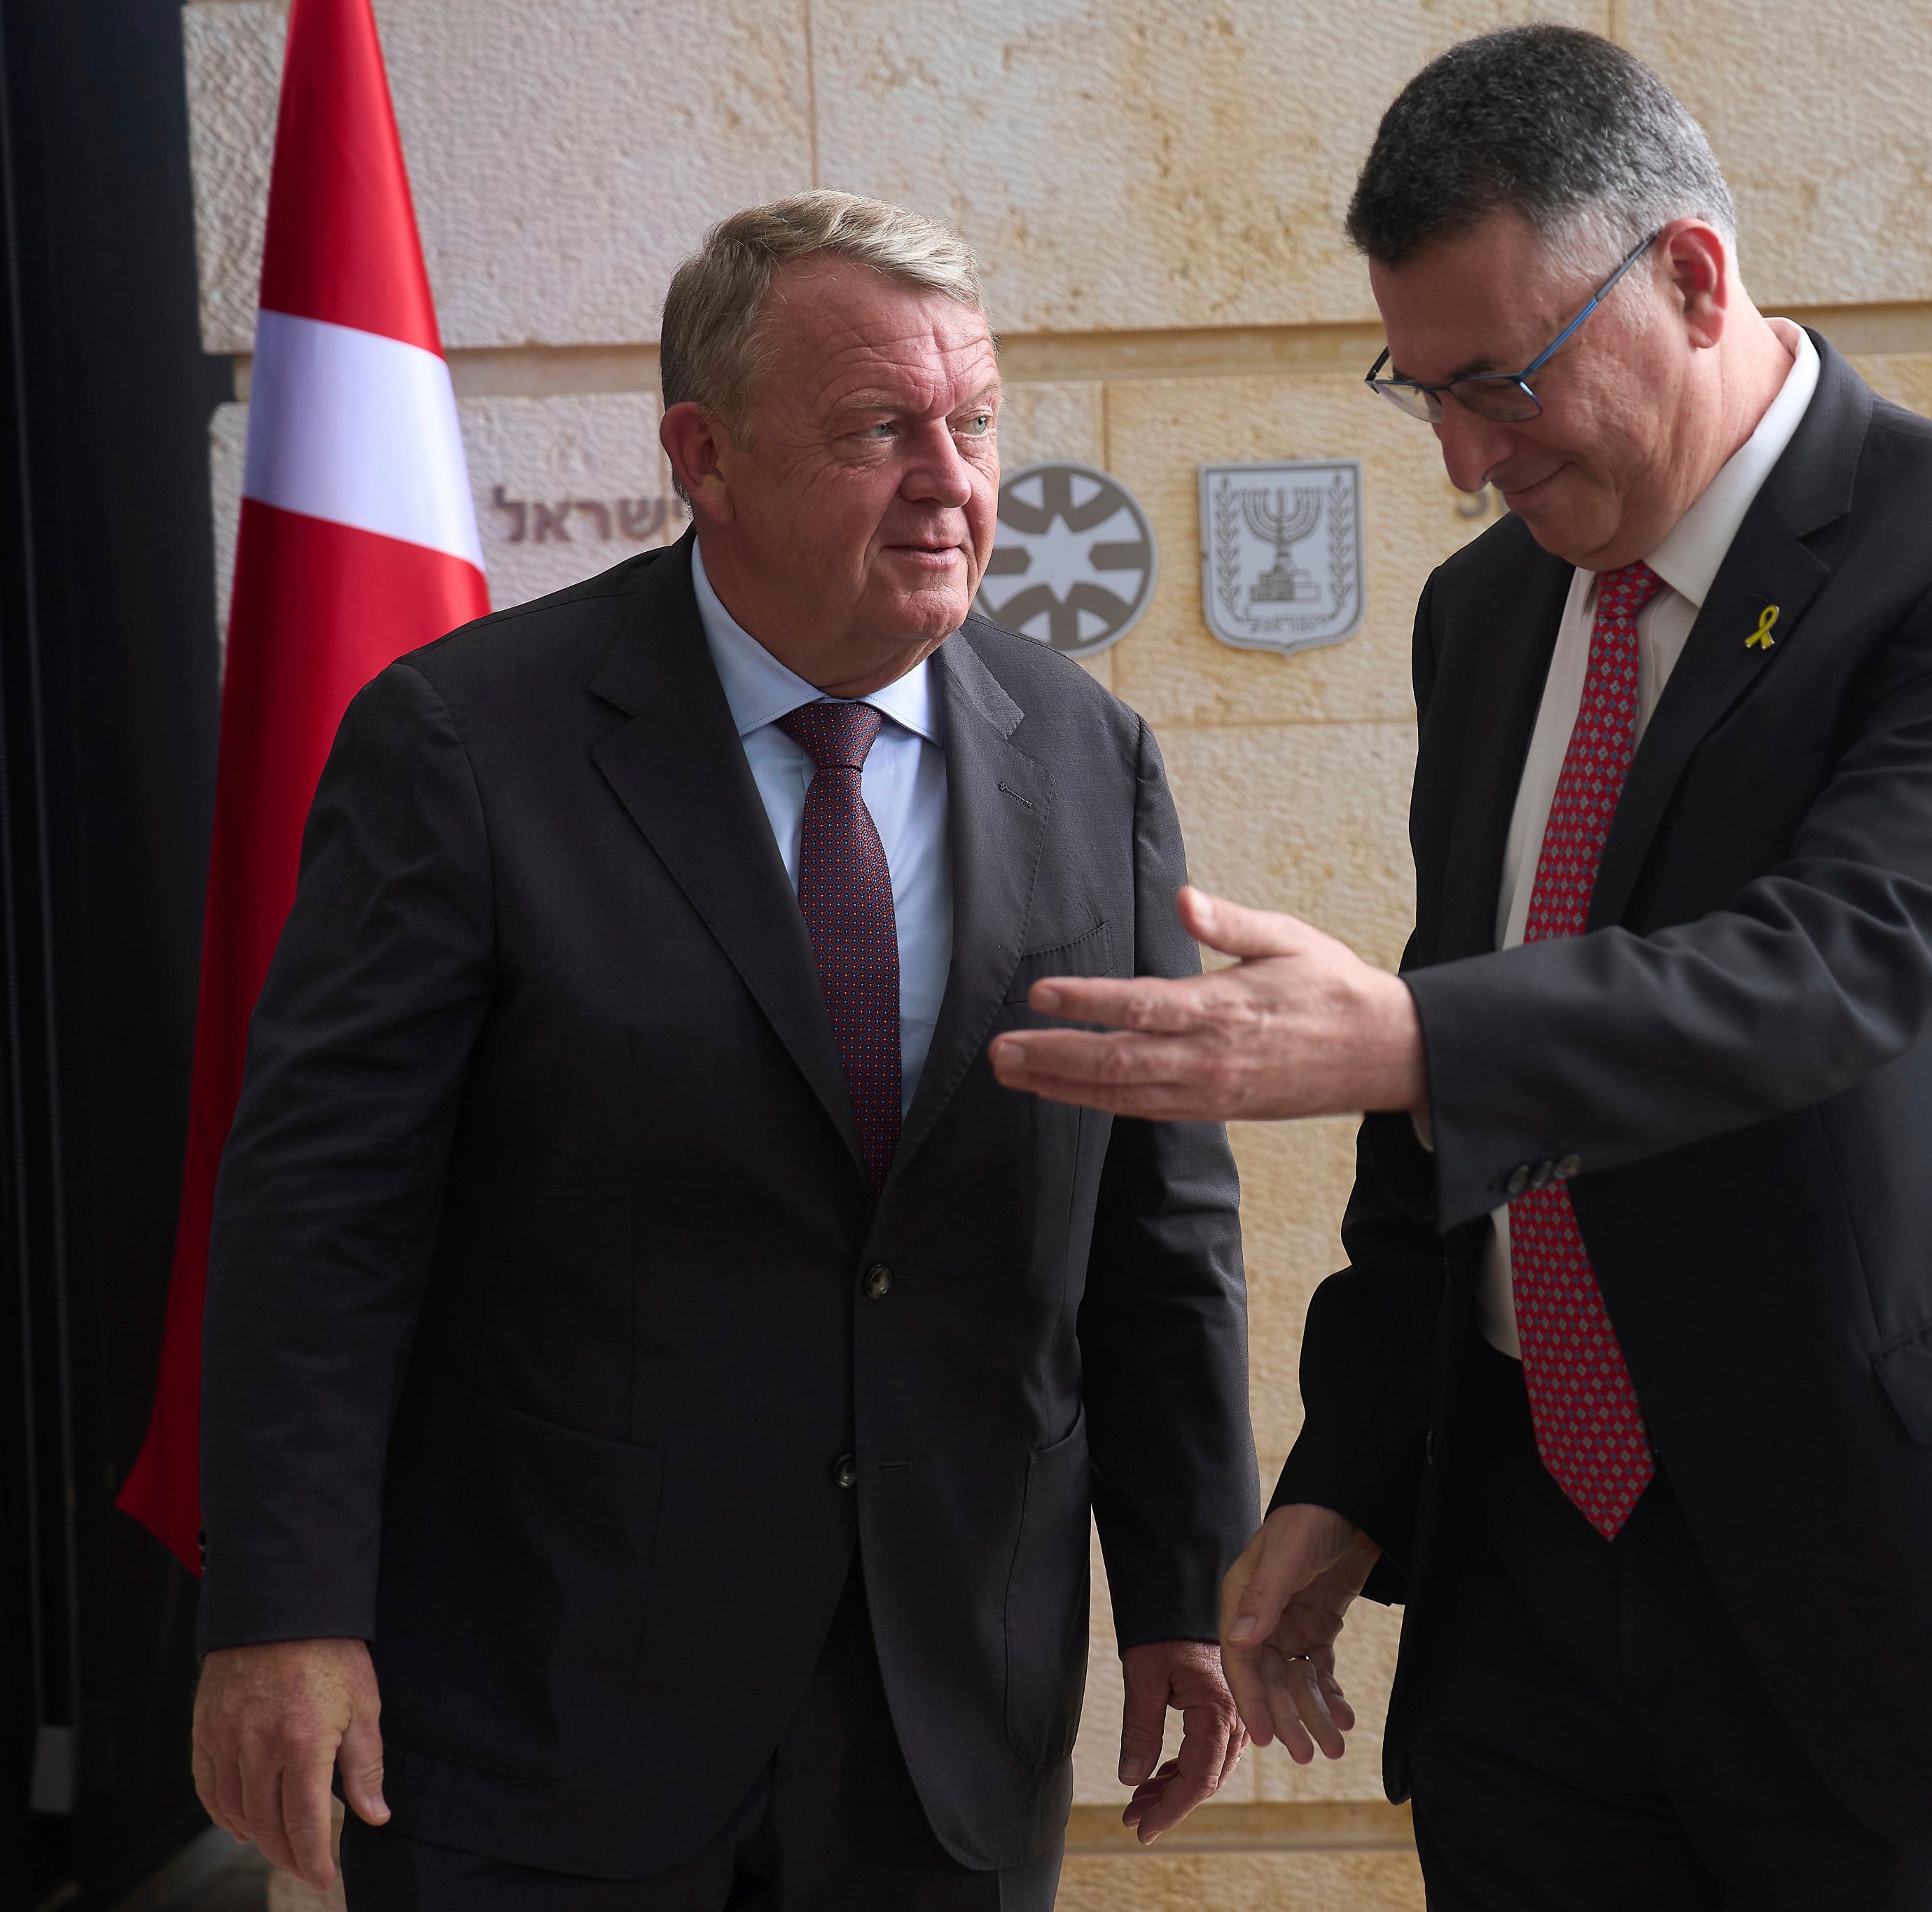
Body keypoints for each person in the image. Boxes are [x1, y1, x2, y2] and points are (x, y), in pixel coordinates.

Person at [989, 27, 1932, 1910]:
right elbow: (1456, 1117)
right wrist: (1353, 1471)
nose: (1460, 458)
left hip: (1907, 1575)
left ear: (1689, 273)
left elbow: (1836, 967)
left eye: (1500, 382)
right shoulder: (1486, 611)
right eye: (1419, 393)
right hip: (1535, 1583)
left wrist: (1399, 1035)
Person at [186, 192, 1256, 1909]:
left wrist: (1189, 1588)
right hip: (546, 1708)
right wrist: (285, 1619)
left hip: (944, 1719)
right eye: (875, 431)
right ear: (704, 455)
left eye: (973, 423)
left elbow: (1158, 1221)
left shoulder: (1086, 755)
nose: (950, 479)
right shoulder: (465, 746)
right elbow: (321, 1226)